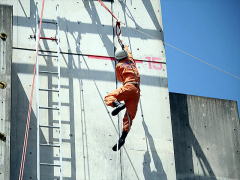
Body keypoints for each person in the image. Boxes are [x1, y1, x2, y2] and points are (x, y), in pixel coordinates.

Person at [104, 45, 140, 151]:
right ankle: (123, 137)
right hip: (136, 91)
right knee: (129, 117)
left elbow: (120, 79)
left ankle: (118, 104)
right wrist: (124, 45)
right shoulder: (131, 60)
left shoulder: (119, 65)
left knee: (108, 97)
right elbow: (128, 51)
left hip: (128, 87)